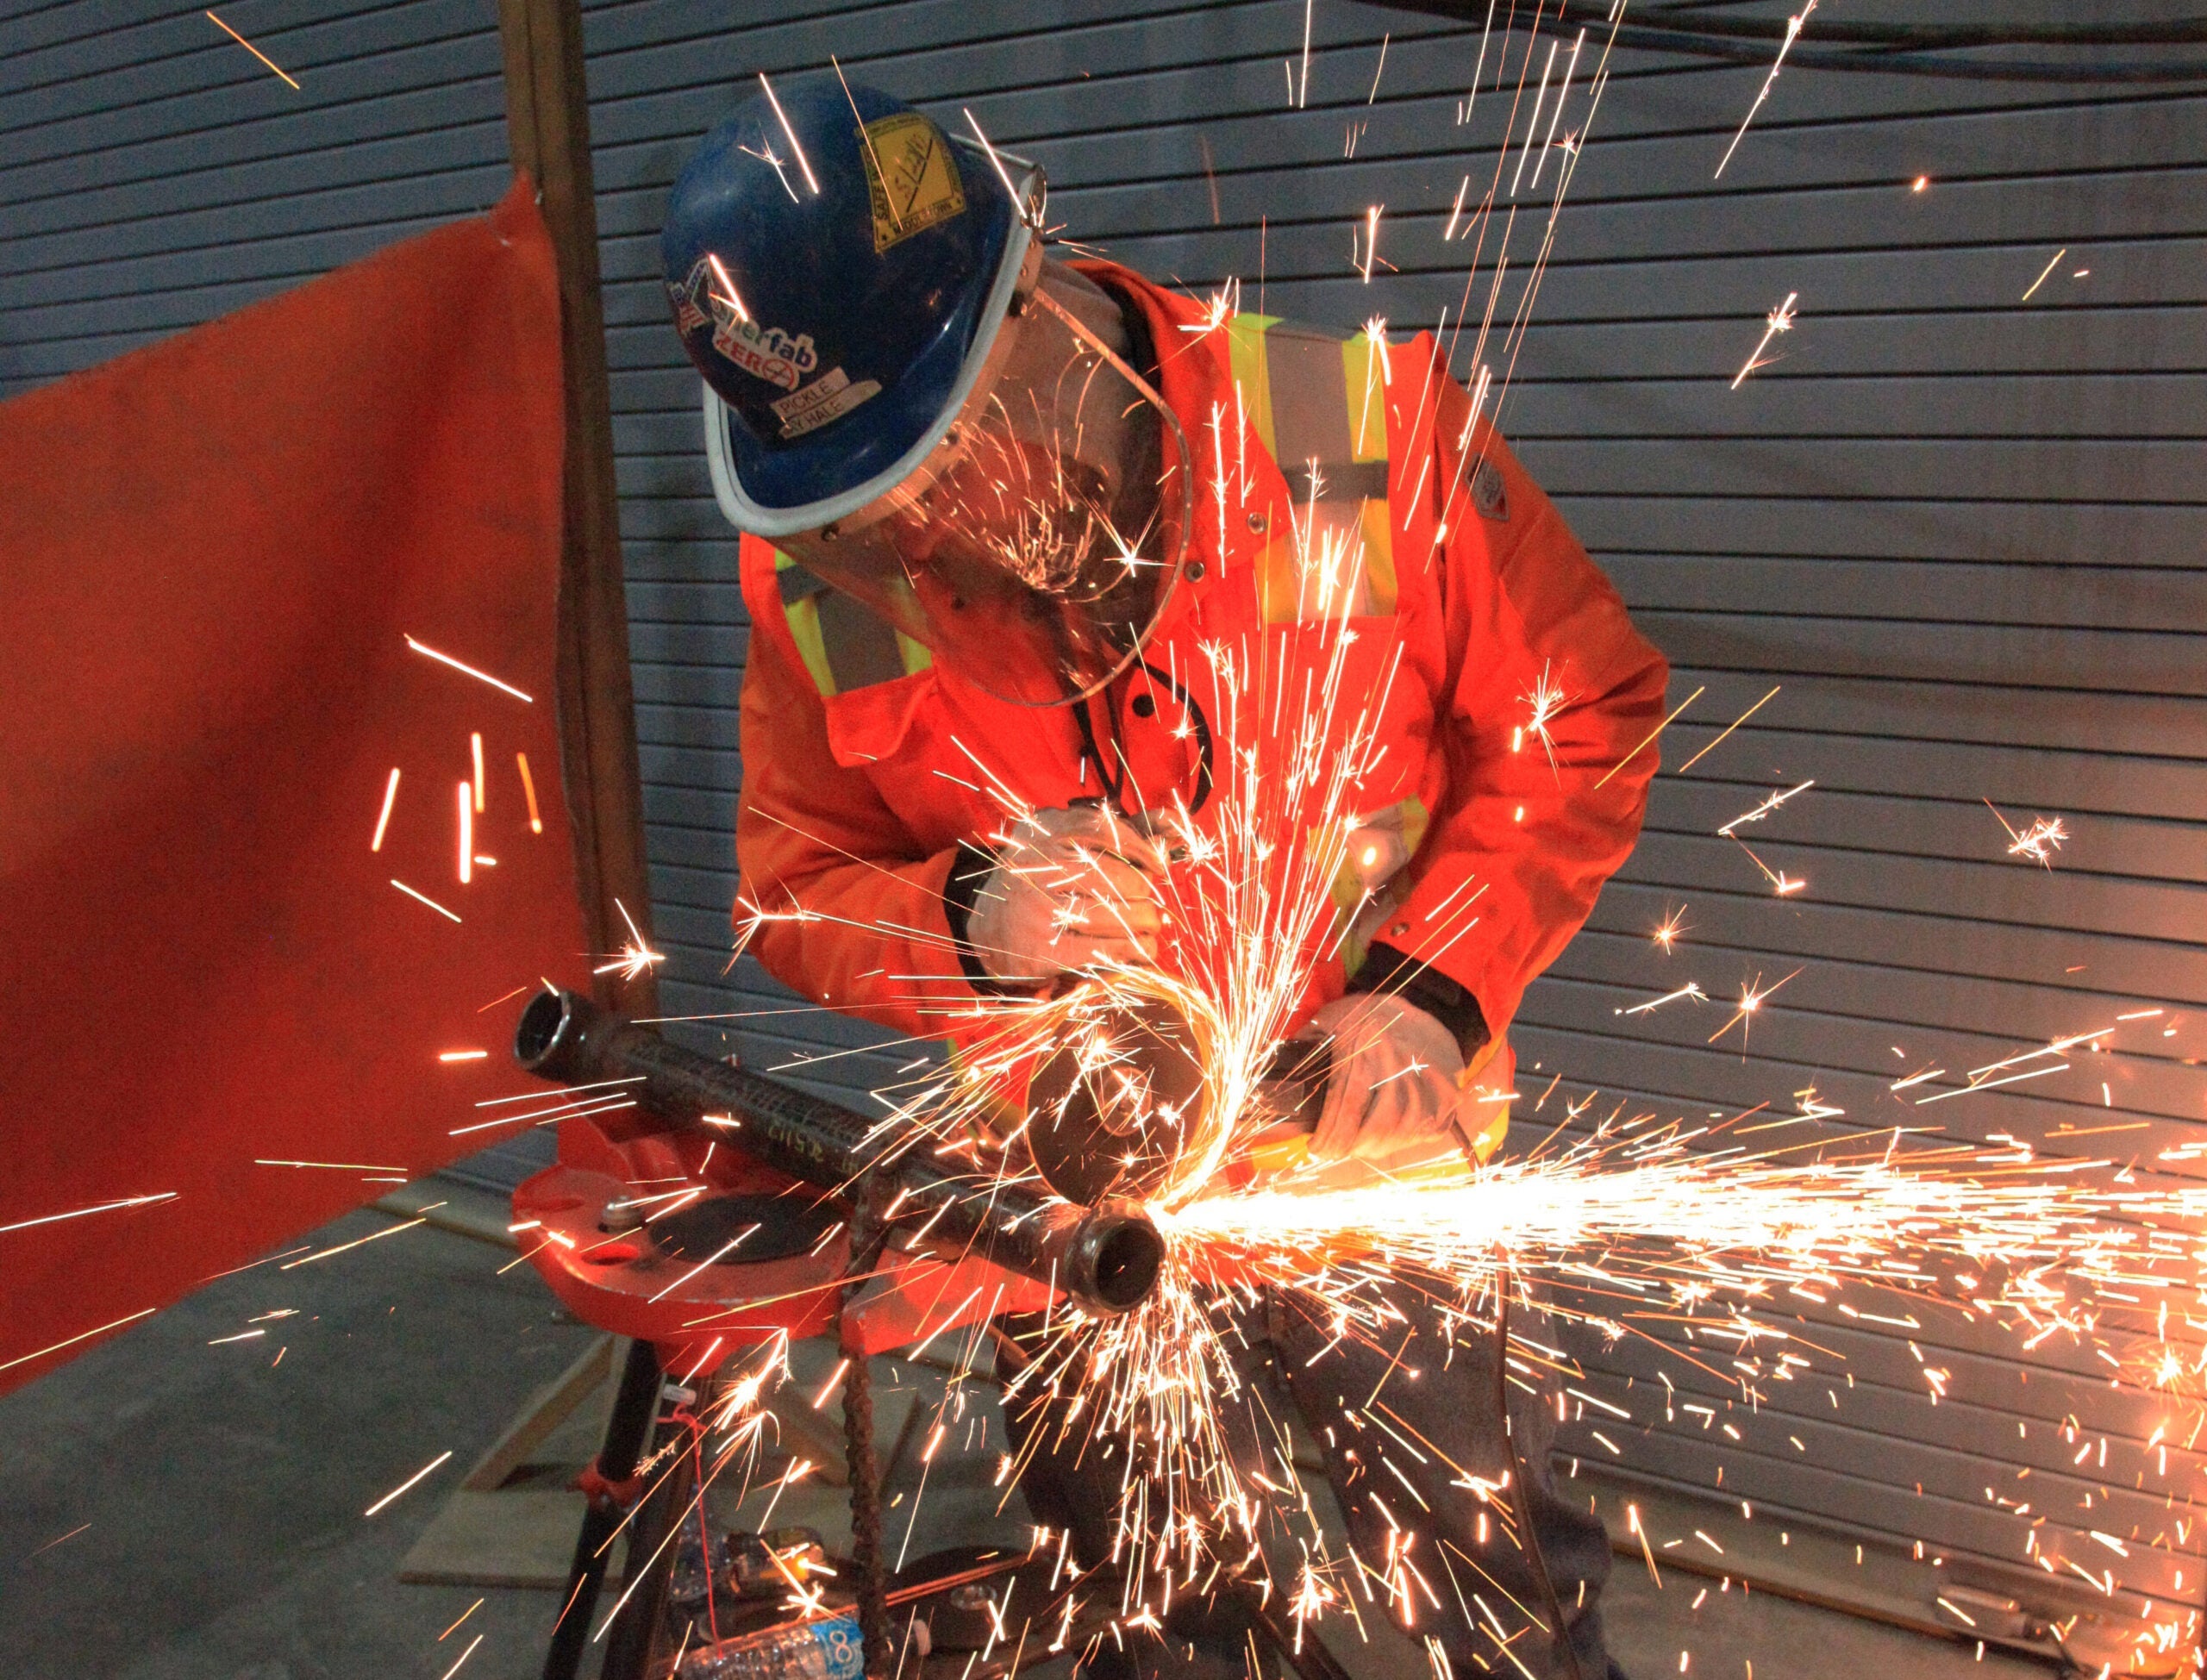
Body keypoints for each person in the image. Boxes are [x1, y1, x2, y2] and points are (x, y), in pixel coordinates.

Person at [662, 80, 1666, 1679]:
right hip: (1076, 1215)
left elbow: (1582, 716)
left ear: (1034, 313)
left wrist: (1430, 992)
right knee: (1155, 1616)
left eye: (942, 461)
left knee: (1497, 1606)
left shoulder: (1348, 429)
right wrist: (967, 917)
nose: (919, 529)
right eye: (875, 504)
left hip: (1366, 1181)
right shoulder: (817, 581)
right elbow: (790, 888)